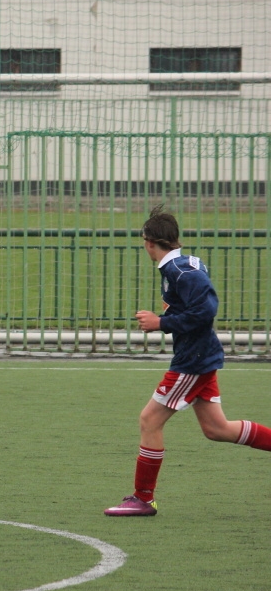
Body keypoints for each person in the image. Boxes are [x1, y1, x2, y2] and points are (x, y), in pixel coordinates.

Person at [104, 206, 271, 516]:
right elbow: (193, 308)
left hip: (192, 360)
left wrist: (161, 322)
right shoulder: (182, 265)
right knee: (217, 429)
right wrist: (168, 314)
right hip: (201, 356)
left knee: (149, 420)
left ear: (149, 242)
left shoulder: (181, 271)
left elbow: (205, 312)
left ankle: (143, 498)